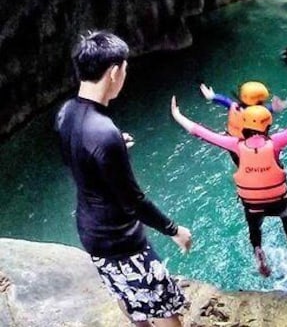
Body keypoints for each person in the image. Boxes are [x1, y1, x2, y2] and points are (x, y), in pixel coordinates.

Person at [56, 31, 192, 326]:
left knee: (125, 294)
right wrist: (174, 229)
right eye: (125, 69)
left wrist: (115, 148)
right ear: (115, 72)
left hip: (90, 232)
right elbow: (133, 201)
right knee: (165, 306)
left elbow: (77, 155)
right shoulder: (103, 132)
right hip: (121, 238)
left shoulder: (66, 113)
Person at [171, 78, 287, 277]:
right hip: (277, 201)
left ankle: (258, 250)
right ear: (267, 124)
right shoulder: (276, 142)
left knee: (254, 227)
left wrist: (177, 115)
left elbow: (201, 132)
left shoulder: (235, 145)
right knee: (286, 215)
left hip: (253, 205)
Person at [199, 80, 287, 138]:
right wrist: (281, 105)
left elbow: (226, 101)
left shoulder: (235, 107)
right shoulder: (264, 109)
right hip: (252, 143)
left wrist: (213, 96)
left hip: (234, 140)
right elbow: (273, 107)